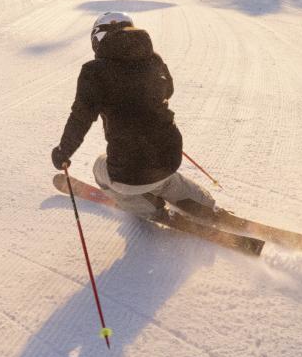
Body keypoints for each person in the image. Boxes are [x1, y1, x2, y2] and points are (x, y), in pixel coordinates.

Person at [50, 12, 217, 219]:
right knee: (163, 176)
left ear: (98, 38)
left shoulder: (93, 71)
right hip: (170, 156)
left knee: (101, 169)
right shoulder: (153, 59)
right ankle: (206, 206)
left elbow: (80, 118)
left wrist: (63, 151)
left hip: (128, 169)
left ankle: (150, 208)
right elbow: (168, 91)